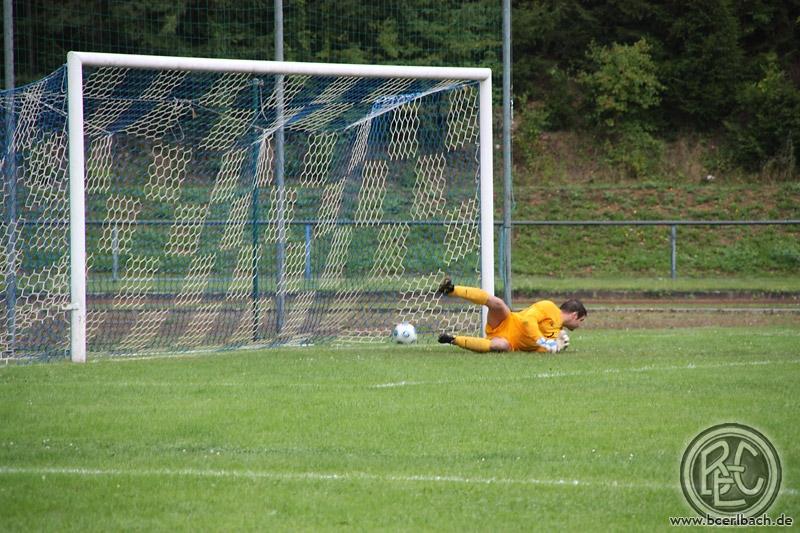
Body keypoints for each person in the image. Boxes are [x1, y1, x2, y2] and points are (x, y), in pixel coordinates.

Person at [436, 277, 587, 353]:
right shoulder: (549, 307)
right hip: (508, 321)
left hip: (510, 342)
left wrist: (555, 348)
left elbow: (536, 349)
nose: (580, 325)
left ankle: (452, 339)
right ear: (574, 315)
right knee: (498, 304)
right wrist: (542, 341)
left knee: (499, 346)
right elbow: (528, 321)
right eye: (581, 320)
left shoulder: (558, 334)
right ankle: (451, 290)